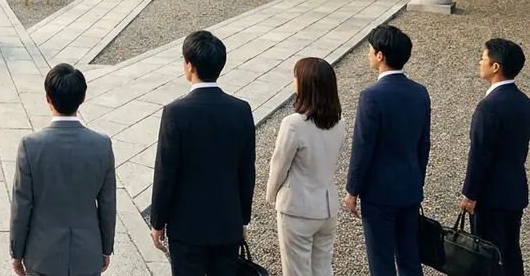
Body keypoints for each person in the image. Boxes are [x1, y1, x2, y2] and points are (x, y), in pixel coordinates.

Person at [149, 30, 255, 276]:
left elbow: (166, 171)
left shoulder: (176, 112)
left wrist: (158, 221)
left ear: (190, 66)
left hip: (187, 227)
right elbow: (246, 169)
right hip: (227, 221)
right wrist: (243, 218)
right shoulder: (240, 110)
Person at [10, 63, 116, 276]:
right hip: (87, 254)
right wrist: (105, 249)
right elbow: (107, 204)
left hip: (42, 256)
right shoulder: (102, 145)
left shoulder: (30, 146)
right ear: (83, 97)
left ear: (47, 98)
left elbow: (21, 206)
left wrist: (17, 252)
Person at [343, 25, 430, 276]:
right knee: (409, 258)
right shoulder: (420, 92)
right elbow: (424, 143)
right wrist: (417, 178)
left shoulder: (371, 96)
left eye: (371, 50)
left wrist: (353, 189)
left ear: (380, 56)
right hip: (409, 187)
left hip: (379, 193)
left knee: (381, 260)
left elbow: (363, 146)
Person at [265, 58, 347, 276]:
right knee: (322, 268)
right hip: (327, 205)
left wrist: (271, 195)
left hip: (297, 207)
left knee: (297, 271)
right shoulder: (339, 123)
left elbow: (279, 166)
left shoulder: (293, 124)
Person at [460, 38, 530, 276]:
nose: (480, 61)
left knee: (489, 257)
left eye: (483, 57)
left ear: (495, 67)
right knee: (511, 253)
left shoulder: (488, 107)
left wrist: (470, 194)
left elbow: (480, 154)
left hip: (491, 196)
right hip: (515, 189)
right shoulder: (524, 102)